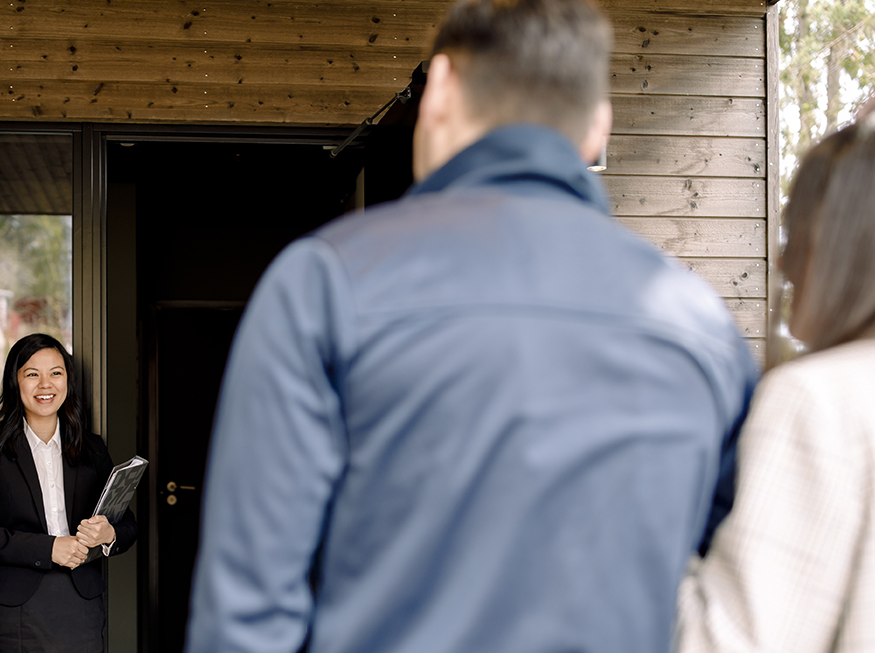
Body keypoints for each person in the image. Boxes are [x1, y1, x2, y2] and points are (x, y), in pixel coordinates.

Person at [186, 1, 757, 651]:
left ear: (442, 90)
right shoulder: (703, 327)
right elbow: (746, 584)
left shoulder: (324, 284)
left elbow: (246, 616)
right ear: (598, 127)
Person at [676, 105, 875, 651]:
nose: (781, 258)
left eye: (795, 227)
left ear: (853, 245)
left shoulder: (822, 400)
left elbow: (727, 643)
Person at [0, 333, 137, 653]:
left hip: (81, 603)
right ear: (15, 381)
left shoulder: (92, 448)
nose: (45, 385)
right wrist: (49, 548)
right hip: (13, 609)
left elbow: (127, 525)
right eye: (32, 374)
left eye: (55, 373)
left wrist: (108, 533)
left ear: (67, 380)